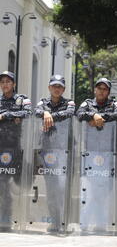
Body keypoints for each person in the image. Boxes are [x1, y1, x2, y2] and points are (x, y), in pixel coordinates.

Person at [76, 78, 117, 232]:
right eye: (99, 88)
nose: (102, 91)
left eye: (105, 89)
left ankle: (99, 223)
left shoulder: (114, 104)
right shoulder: (87, 103)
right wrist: (92, 115)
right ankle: (89, 224)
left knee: (104, 191)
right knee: (92, 190)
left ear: (108, 92)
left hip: (110, 153)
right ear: (95, 90)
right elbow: (79, 113)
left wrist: (97, 117)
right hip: (90, 154)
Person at [34, 75, 75, 232]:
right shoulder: (42, 103)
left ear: (63, 89)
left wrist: (49, 115)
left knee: (63, 188)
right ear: (49, 88)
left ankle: (64, 221)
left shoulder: (69, 102)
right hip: (48, 152)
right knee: (52, 189)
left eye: (59, 86)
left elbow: (69, 113)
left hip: (65, 150)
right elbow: (37, 111)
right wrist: (45, 113)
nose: (56, 88)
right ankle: (55, 221)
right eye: (54, 86)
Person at [0, 71, 32, 231]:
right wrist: (13, 117)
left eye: (8, 81)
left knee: (14, 185)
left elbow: (28, 112)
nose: (5, 84)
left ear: (14, 84)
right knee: (2, 185)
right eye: (2, 82)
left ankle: (7, 219)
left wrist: (6, 115)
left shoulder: (21, 99)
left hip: (15, 149)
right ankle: (4, 219)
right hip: (0, 148)